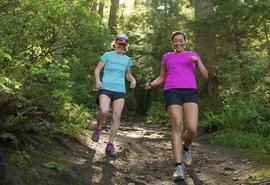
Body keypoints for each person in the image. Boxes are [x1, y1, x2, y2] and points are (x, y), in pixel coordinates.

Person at [145, 31, 208, 180]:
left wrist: (197, 62)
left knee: (192, 128)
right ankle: (178, 166)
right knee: (177, 125)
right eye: (175, 41)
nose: (178, 43)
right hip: (171, 91)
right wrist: (151, 84)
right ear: (172, 43)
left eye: (181, 40)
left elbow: (205, 76)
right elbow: (162, 77)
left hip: (190, 92)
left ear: (185, 42)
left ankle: (186, 147)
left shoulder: (192, 55)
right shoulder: (167, 57)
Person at [91, 34, 136, 156]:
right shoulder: (107, 55)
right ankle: (98, 128)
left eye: (123, 45)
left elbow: (127, 74)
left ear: (126, 46)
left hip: (120, 90)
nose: (121, 46)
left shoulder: (127, 60)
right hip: (105, 87)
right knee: (104, 111)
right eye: (119, 44)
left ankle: (110, 144)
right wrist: (97, 81)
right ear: (115, 43)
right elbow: (97, 69)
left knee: (117, 115)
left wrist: (133, 80)